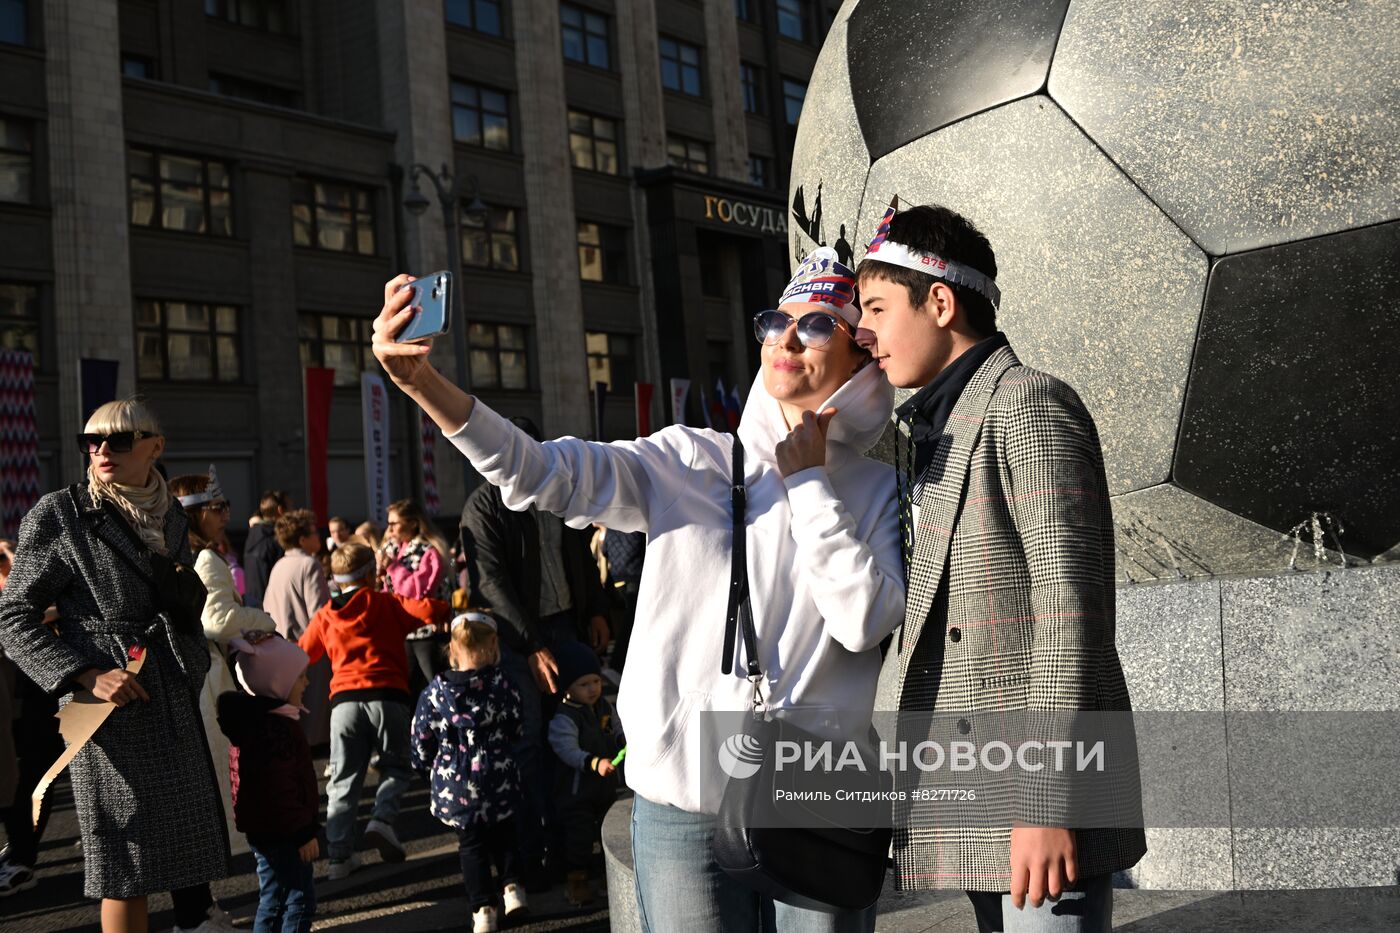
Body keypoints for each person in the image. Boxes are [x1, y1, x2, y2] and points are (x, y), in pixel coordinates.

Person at [372, 246, 905, 932]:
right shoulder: (693, 458)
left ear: (861, 357)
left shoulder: (877, 487)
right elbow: (542, 472)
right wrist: (422, 385)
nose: (786, 340)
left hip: (812, 793)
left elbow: (864, 619)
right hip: (681, 805)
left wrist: (808, 483)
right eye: (777, 321)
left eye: (817, 326)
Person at [855, 202, 1146, 931]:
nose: (866, 334)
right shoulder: (943, 426)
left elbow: (1069, 614)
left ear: (941, 302)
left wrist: (1045, 801)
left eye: (879, 309)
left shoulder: (1028, 405)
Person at [0, 399, 232, 932]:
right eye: (92, 440)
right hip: (105, 710)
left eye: (119, 439)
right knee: (124, 862)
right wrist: (85, 673)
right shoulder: (61, 512)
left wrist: (192, 658)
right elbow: (13, 616)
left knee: (182, 842)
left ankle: (196, 919)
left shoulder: (170, 514)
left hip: (170, 692)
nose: (102, 450)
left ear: (156, 446)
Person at [458, 416, 611, 886]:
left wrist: (597, 609)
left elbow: (583, 554)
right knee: (530, 744)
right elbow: (491, 584)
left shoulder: (553, 489)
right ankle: (532, 860)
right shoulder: (482, 506)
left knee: (580, 731)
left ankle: (576, 849)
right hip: (520, 639)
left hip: (567, 624)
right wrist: (532, 645)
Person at [299, 542, 449, 881]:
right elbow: (425, 611)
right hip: (388, 697)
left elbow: (302, 654)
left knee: (342, 780)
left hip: (344, 706)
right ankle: (382, 818)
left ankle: (339, 858)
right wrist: (446, 610)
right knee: (396, 767)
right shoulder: (386, 602)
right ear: (371, 574)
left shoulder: (325, 615)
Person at [170, 467, 278, 859]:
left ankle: (200, 902)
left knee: (196, 792)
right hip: (206, 679)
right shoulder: (205, 558)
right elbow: (216, 621)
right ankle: (203, 905)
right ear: (196, 513)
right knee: (216, 786)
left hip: (185, 678)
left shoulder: (173, 553)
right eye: (218, 507)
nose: (226, 515)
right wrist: (262, 620)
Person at [411, 611, 528, 933]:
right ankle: (513, 889)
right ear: (493, 645)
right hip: (498, 773)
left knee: (471, 846)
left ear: (452, 647)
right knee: (505, 834)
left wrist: (426, 769)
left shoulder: (435, 693)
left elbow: (422, 738)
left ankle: (483, 909)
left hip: (457, 781)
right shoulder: (502, 684)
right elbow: (518, 724)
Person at [217, 632, 320, 933]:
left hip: (264, 829)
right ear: (279, 684)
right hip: (286, 831)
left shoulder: (254, 724)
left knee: (273, 898)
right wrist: (303, 832)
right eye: (301, 677)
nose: (307, 683)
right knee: (299, 900)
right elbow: (281, 790)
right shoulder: (277, 730)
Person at [0, 537, 63, 900]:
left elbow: (35, 610)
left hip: (39, 699)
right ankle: (20, 851)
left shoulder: (39, 591)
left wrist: (13, 554)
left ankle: (24, 857)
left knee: (33, 781)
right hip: (19, 701)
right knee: (19, 782)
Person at [546, 641, 623, 907]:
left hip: (603, 787)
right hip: (576, 791)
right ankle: (576, 881)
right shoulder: (565, 716)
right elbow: (566, 749)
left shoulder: (603, 706)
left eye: (596, 682)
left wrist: (622, 740)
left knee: (605, 832)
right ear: (568, 687)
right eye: (584, 684)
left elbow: (615, 726)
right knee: (578, 838)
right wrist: (593, 762)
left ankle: (605, 877)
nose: (592, 689)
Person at [263, 510, 333, 745]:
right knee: (313, 711)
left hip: (281, 647)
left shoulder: (279, 565)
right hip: (308, 648)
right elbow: (321, 613)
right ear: (302, 539)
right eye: (314, 532)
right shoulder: (309, 564)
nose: (319, 537)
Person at [380, 498, 451, 689]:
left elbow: (417, 591)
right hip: (402, 631)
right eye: (389, 524)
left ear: (412, 523)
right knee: (408, 687)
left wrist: (393, 568)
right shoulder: (393, 550)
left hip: (426, 632)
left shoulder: (428, 551)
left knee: (436, 684)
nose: (391, 529)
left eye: (395, 523)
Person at [243, 490, 291, 610]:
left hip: (255, 606)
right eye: (291, 508)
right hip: (273, 608)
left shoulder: (253, 536)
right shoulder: (277, 540)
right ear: (281, 510)